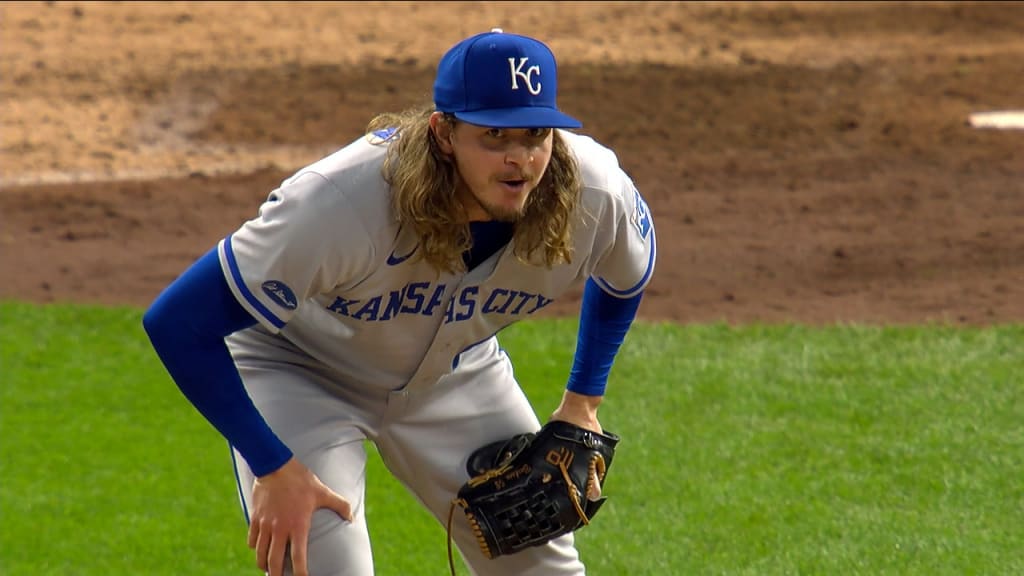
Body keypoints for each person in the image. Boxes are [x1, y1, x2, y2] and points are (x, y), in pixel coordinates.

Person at [142, 28, 656, 576]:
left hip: (454, 374)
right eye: (494, 137)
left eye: (535, 134)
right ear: (444, 133)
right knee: (324, 565)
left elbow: (627, 276)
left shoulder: (594, 192)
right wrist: (273, 466)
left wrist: (584, 401)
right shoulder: (342, 203)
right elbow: (176, 322)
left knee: (542, 567)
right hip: (300, 373)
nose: (520, 160)